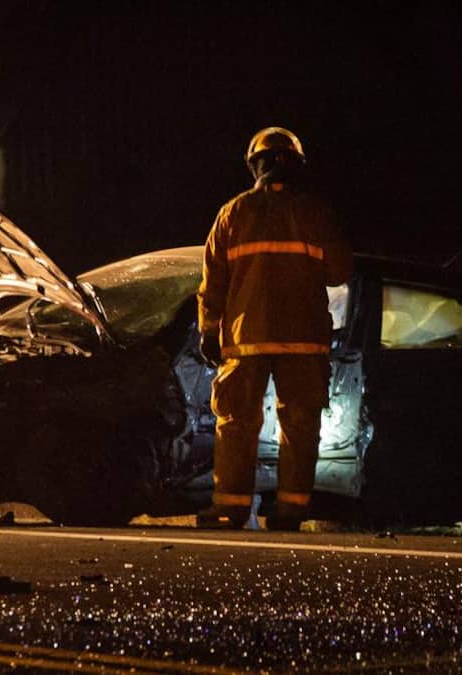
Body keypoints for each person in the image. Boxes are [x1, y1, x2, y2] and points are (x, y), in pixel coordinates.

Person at [195, 127, 353, 531]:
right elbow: (340, 272)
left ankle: (230, 509)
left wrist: (209, 331)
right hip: (304, 339)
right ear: (296, 166)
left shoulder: (233, 213)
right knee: (300, 427)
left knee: (236, 424)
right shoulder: (316, 213)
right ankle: (291, 511)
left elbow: (212, 283)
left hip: (247, 340)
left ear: (255, 165)